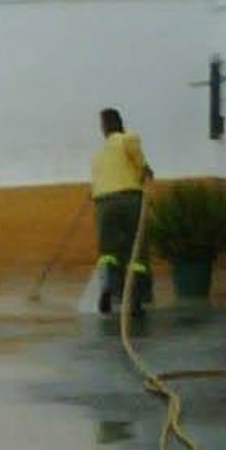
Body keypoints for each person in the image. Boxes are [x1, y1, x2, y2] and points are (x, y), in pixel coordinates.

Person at [91, 106, 153, 318]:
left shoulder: (99, 155)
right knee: (136, 250)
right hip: (129, 199)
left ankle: (109, 285)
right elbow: (142, 167)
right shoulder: (129, 139)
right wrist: (147, 171)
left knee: (108, 251)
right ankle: (135, 298)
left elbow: (95, 185)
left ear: (104, 128)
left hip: (103, 202)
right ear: (119, 123)